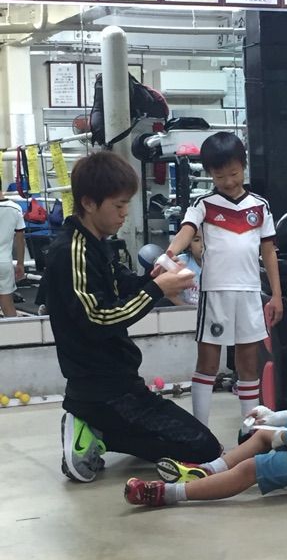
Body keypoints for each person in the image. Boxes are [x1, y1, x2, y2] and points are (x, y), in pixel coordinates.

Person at [44, 151, 222, 483]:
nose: (125, 213)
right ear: (89, 203)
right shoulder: (71, 252)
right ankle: (96, 429)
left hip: (120, 382)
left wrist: (154, 279)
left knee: (202, 445)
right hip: (102, 391)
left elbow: (123, 286)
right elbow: (97, 320)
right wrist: (156, 289)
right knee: (204, 448)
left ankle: (98, 426)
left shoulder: (97, 243)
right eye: (119, 205)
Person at [124, 293, 287, 508]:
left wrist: (279, 435)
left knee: (251, 468)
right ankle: (208, 470)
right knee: (263, 435)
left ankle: (167, 493)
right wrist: (275, 419)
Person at [161, 131, 283, 428]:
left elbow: (269, 252)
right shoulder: (203, 204)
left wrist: (277, 295)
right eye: (219, 176)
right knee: (207, 363)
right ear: (209, 174)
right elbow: (187, 231)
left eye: (234, 173)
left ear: (244, 166)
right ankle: (199, 431)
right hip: (215, 293)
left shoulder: (260, 206)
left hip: (250, 294)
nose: (228, 181)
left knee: (248, 364)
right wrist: (170, 254)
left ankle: (250, 431)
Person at [0, 186, 25, 317]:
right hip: (4, 262)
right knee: (7, 304)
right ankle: (17, 330)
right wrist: (20, 263)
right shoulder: (15, 208)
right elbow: (20, 239)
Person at [167, 231, 203, 307]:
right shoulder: (180, 263)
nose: (203, 245)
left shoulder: (222, 264)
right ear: (189, 245)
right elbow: (169, 294)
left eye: (208, 239)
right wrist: (185, 309)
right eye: (197, 240)